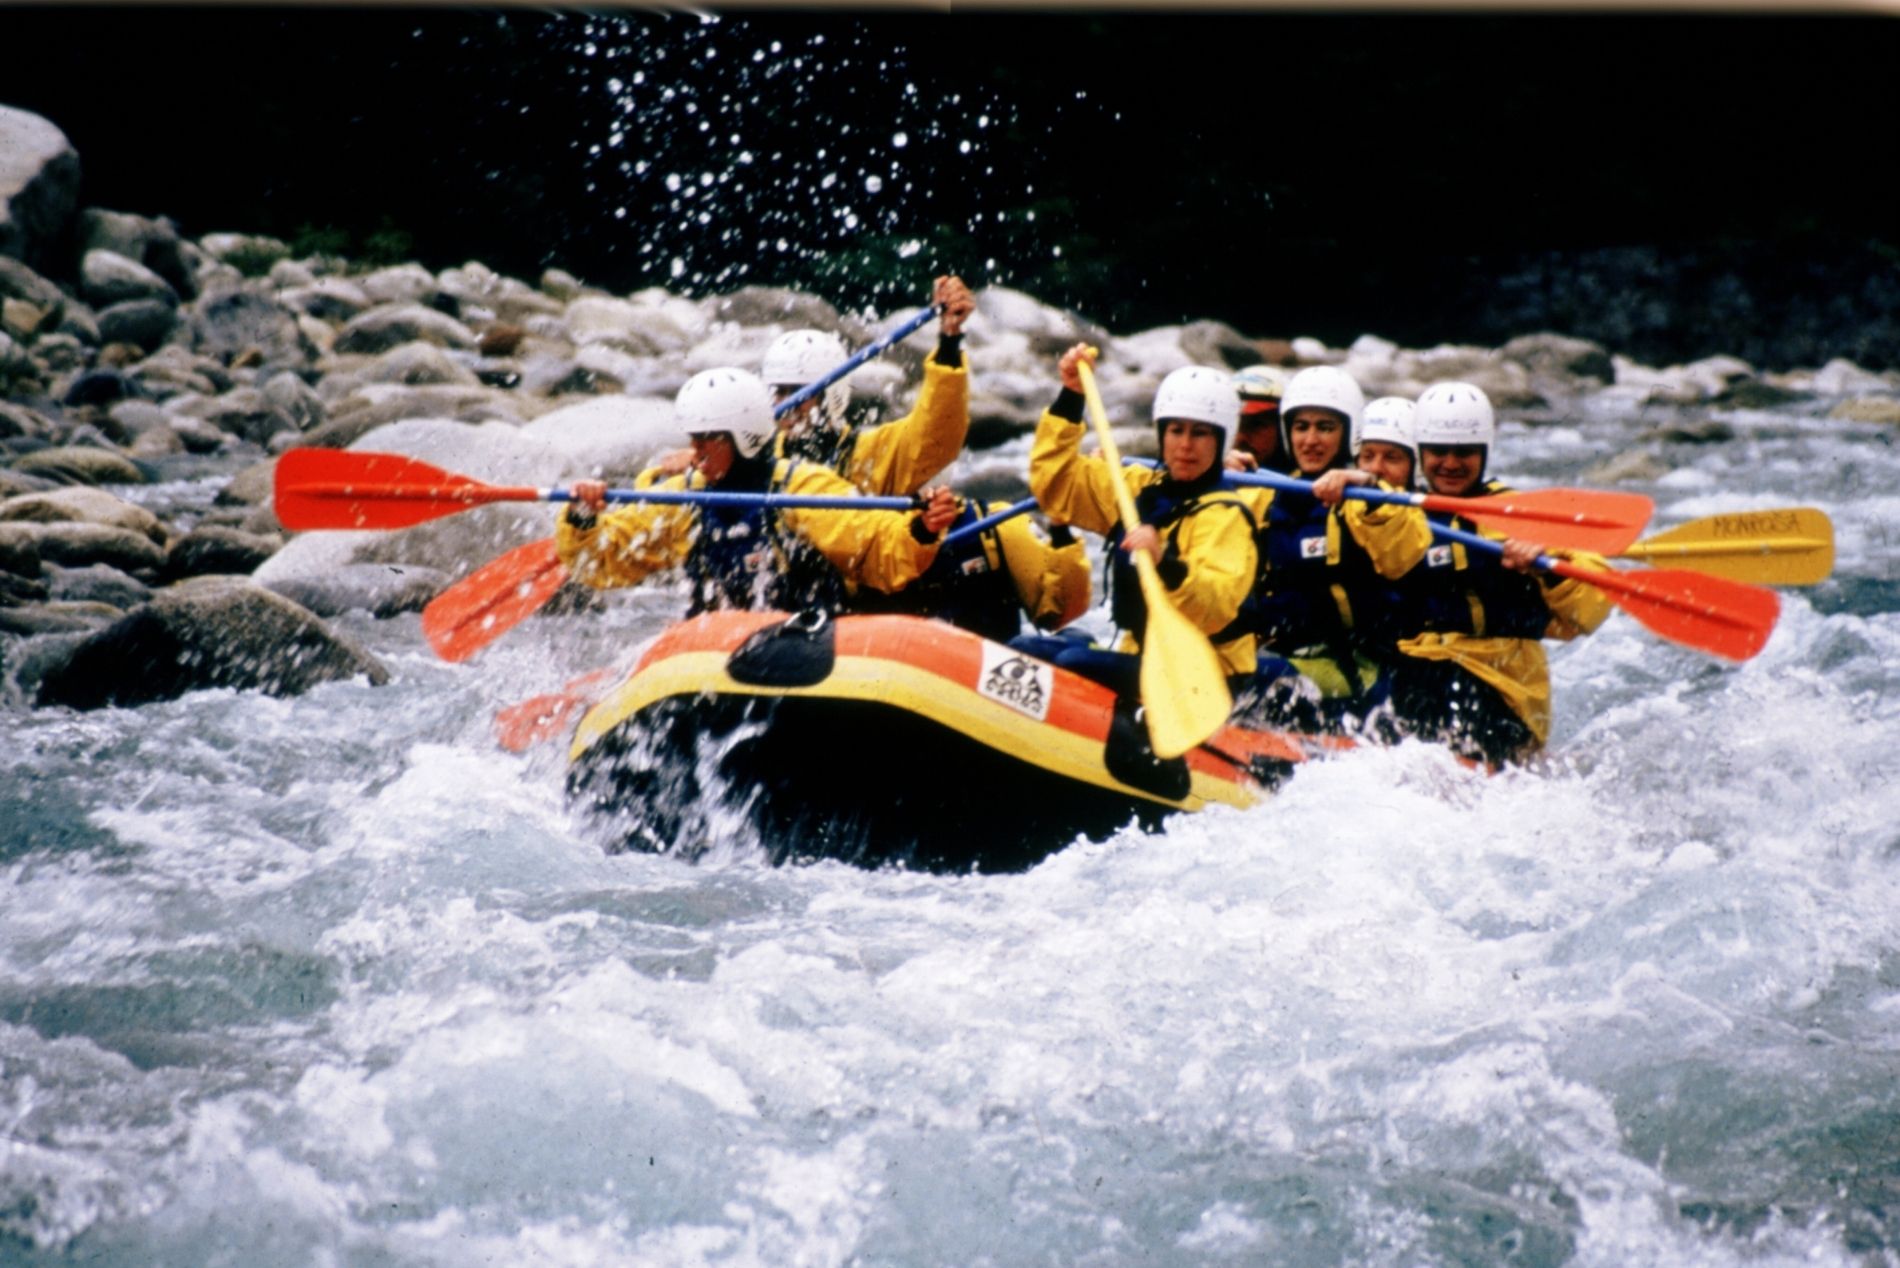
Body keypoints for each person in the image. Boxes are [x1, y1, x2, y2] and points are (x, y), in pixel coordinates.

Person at [557, 368, 958, 615]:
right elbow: (603, 559)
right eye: (693, 438)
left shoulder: (800, 487)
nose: (694, 451)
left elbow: (871, 543)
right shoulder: (686, 498)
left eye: (706, 439)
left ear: (743, 438)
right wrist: (583, 518)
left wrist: (920, 530)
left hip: (806, 642)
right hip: (716, 650)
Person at [1381, 381, 1612, 765]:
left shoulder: (1522, 514)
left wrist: (1548, 567)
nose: (1450, 463)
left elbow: (1592, 608)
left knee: (1437, 685)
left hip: (1505, 684)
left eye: (1464, 452)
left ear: (1484, 452)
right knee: (1415, 682)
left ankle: (1478, 772)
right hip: (1420, 673)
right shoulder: (1395, 514)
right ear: (1420, 452)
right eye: (1438, 451)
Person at [1013, 345, 1259, 699]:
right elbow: (1055, 483)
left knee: (1071, 662)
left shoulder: (1226, 516)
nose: (1185, 445)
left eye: (1200, 433)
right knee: (1025, 648)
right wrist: (1071, 396)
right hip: (1143, 656)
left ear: (1220, 440)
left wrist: (1165, 563)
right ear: (1162, 434)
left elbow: (1215, 606)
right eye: (1176, 430)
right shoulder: (1137, 488)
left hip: (1205, 672)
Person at [1234, 366, 1432, 728]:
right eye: (1301, 427)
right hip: (1283, 653)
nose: (1310, 440)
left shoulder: (1367, 499)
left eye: (1325, 428)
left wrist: (1367, 486)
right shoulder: (1268, 494)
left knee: (1253, 675)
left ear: (1348, 434)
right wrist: (1214, 477)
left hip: (1357, 667)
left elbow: (1403, 553)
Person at [1225, 364, 1293, 475]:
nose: (1240, 438)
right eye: (1234, 425)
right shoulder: (1211, 474)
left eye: (1256, 425)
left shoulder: (1313, 481)